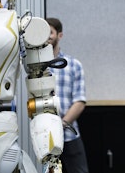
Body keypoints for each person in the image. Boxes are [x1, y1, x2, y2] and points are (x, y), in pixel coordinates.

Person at [46, 17, 89, 173]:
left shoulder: (73, 65)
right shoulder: (33, 66)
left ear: (60, 35)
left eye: (50, 32)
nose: (47, 36)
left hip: (69, 134)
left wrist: (61, 124)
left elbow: (79, 101)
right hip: (43, 136)